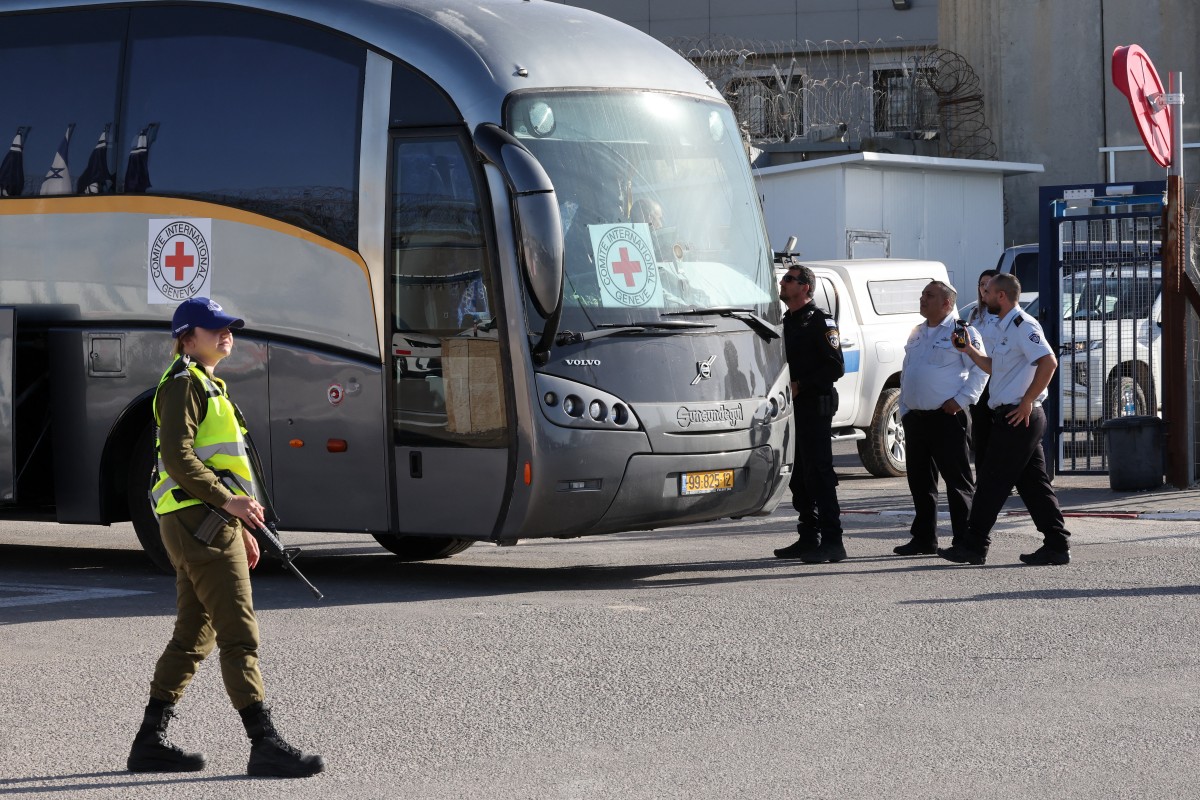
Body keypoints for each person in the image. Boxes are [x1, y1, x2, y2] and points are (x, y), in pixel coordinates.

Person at [127, 297, 325, 778]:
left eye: (228, 328)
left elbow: (212, 462)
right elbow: (178, 458)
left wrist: (238, 523)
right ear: (186, 338)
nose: (226, 334)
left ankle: (148, 742)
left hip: (203, 522)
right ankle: (264, 745)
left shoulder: (205, 384)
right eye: (214, 328)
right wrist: (228, 505)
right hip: (200, 521)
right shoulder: (183, 385)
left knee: (195, 635)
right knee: (239, 635)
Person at [937, 274, 1072, 566]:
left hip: (1019, 415)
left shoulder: (1024, 325)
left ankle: (974, 545)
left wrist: (1027, 401)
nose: (982, 297)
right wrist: (969, 351)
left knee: (991, 481)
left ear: (1001, 296)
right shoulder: (1003, 327)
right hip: (1013, 414)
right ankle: (1056, 544)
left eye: (987, 293)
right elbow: (994, 367)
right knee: (1033, 484)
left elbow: (1048, 362)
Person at [893, 281, 987, 556]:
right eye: (922, 294)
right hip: (916, 418)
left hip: (948, 417)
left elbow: (981, 370)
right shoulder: (917, 332)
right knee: (920, 482)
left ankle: (964, 540)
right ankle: (924, 538)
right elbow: (908, 370)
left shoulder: (962, 332)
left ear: (947, 303)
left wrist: (961, 401)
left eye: (929, 296)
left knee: (957, 482)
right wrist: (906, 407)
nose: (922, 299)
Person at [773, 264, 847, 563]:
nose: (783, 283)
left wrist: (801, 384)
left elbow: (835, 366)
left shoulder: (820, 321)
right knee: (799, 475)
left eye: (789, 279)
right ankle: (809, 537)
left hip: (815, 404)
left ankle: (833, 540)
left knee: (820, 473)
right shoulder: (786, 322)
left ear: (805, 287)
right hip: (792, 407)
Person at [966, 268, 1001, 466]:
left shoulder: (1003, 313)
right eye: (981, 285)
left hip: (998, 376)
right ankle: (982, 478)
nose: (984, 289)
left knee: (1000, 432)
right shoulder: (975, 313)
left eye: (989, 285)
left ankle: (1003, 479)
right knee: (981, 431)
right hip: (979, 376)